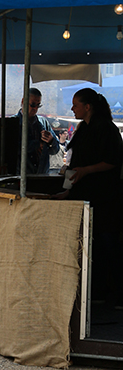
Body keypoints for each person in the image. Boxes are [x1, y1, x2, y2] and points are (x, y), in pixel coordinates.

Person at [62, 88, 123, 300]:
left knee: (108, 243)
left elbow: (112, 161)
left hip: (105, 197)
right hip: (84, 195)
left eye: (76, 105)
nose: (72, 108)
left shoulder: (106, 129)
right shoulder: (83, 129)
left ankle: (117, 292)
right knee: (90, 246)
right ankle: (96, 291)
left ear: (88, 107)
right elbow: (75, 163)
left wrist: (86, 170)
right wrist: (67, 190)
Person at [17, 87, 60, 174]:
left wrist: (51, 141)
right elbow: (14, 148)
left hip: (42, 174)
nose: (35, 109)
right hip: (21, 175)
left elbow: (55, 150)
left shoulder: (43, 122)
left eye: (38, 105)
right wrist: (37, 144)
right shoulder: (14, 122)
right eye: (32, 105)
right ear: (23, 101)